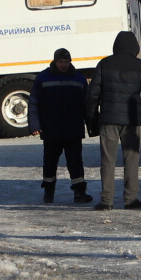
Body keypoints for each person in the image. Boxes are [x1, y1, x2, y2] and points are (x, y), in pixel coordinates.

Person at [86, 29, 141, 210]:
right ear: (135, 47)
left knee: (108, 160)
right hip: (132, 120)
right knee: (131, 159)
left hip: (108, 118)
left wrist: (92, 119)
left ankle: (106, 200)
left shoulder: (104, 64)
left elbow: (93, 95)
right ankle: (131, 199)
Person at [28, 47, 92, 204]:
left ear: (70, 62)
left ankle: (79, 193)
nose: (63, 65)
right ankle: (48, 192)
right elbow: (34, 102)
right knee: (49, 162)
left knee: (75, 162)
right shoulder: (42, 78)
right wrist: (34, 125)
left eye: (66, 62)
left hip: (73, 129)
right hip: (51, 129)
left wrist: (91, 125)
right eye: (60, 62)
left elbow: (87, 104)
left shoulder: (79, 79)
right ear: (55, 61)